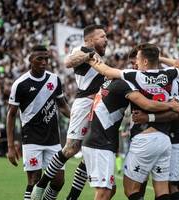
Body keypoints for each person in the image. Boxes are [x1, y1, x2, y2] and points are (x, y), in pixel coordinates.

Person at [88, 43, 179, 200]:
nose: (136, 63)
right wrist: (162, 58)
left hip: (144, 138)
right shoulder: (170, 73)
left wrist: (89, 57)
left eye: (138, 60)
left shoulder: (135, 75)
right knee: (162, 190)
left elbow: (105, 70)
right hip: (164, 140)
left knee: (130, 189)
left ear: (145, 61)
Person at [31, 24, 108, 200]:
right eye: (102, 36)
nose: (106, 39)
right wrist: (89, 54)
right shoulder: (81, 49)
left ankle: (72, 197)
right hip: (84, 103)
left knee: (89, 152)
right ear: (89, 39)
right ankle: (41, 186)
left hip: (98, 106)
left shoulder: (99, 57)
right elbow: (68, 62)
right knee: (71, 149)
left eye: (106, 36)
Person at [6, 45, 70, 200]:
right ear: (30, 60)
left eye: (46, 58)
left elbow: (62, 105)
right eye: (39, 58)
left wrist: (78, 120)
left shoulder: (54, 80)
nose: (44, 62)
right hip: (32, 139)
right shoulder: (20, 84)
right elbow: (11, 115)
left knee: (58, 181)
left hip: (53, 139)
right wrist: (10, 146)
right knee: (35, 180)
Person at [132, 59, 179, 199]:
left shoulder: (167, 81)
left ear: (145, 62)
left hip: (178, 138)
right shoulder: (172, 79)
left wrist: (148, 117)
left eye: (136, 62)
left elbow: (175, 112)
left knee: (169, 185)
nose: (134, 66)